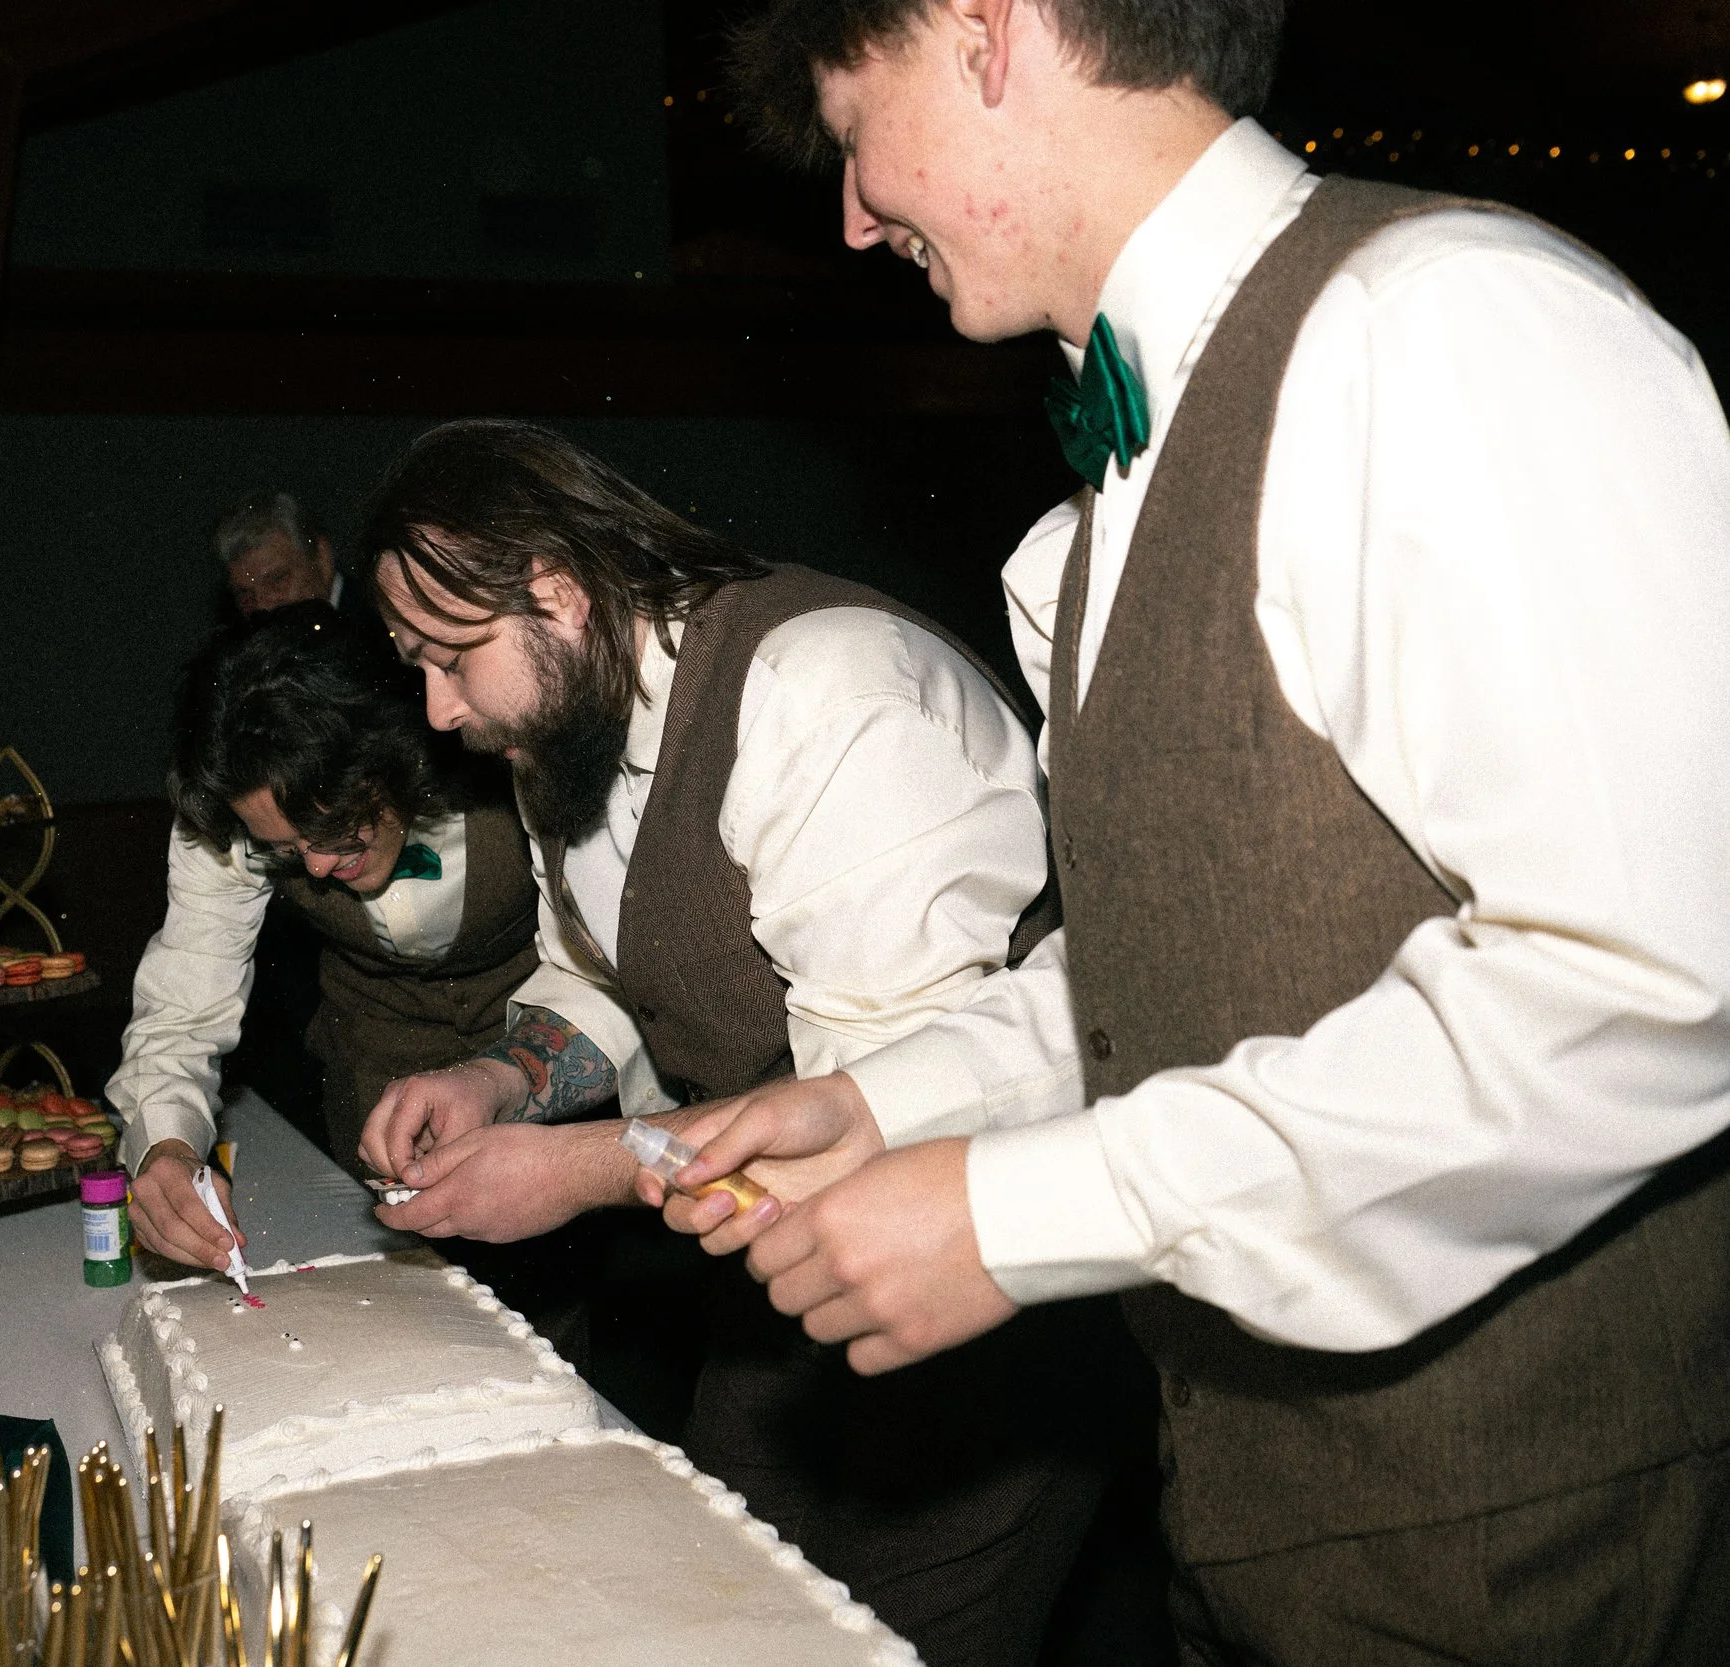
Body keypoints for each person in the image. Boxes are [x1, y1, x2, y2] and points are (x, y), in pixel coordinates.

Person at [669, 2, 1730, 1660]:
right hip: (1255, 1521)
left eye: (853, 120)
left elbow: (1649, 978)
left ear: (985, 31)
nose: (856, 211)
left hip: (1534, 1542)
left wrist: (1020, 1219)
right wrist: (897, 1104)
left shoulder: (1441, 332)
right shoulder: (1110, 484)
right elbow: (1184, 946)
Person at [355, 418, 1136, 1667]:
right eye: (416, 666)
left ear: (555, 588)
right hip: (769, 1277)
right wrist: (502, 1076)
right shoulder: (563, 716)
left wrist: (575, 1172)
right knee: (717, 1604)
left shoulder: (820, 690)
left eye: (452, 657)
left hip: (987, 1297)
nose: (440, 712)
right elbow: (613, 976)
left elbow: (877, 1110)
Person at [111, 602, 540, 1274]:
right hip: (372, 1092)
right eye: (285, 849)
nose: (312, 867)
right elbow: (185, 1003)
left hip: (545, 1096)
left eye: (337, 828)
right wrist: (164, 1144)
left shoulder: (506, 748)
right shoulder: (231, 809)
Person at [213, 490, 357, 619]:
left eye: (277, 580)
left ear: (322, 558)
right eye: (245, 595)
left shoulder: (375, 627)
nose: (262, 605)